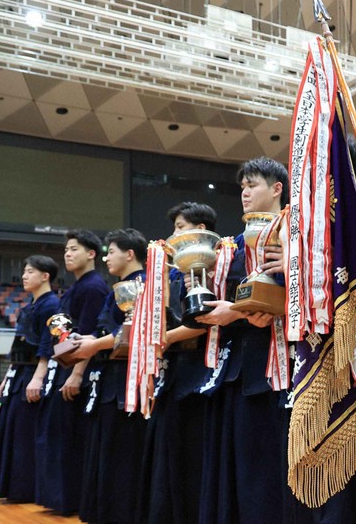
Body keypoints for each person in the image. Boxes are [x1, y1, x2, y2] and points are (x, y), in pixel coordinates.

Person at [194, 156, 288, 523]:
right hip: (234, 365)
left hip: (276, 365)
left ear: (277, 188)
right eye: (243, 187)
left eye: (254, 185)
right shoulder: (231, 244)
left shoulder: (294, 234)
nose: (245, 192)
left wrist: (234, 311)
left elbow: (292, 292)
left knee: (265, 464)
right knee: (236, 460)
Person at [137, 201, 217, 524]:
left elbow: (202, 320)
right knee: (168, 448)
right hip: (171, 373)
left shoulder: (214, 264)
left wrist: (165, 338)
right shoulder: (171, 273)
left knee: (190, 451)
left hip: (198, 371)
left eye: (180, 228)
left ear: (200, 230)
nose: (173, 235)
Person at [71, 228, 147, 524]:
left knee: (124, 450)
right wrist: (82, 341)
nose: (107, 258)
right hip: (108, 379)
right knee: (107, 447)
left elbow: (129, 333)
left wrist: (94, 344)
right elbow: (105, 330)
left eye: (111, 251)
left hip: (129, 380)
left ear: (130, 254)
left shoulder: (142, 285)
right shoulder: (117, 287)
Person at [35, 229, 110, 515]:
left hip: (80, 372)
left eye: (74, 249)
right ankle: (61, 498)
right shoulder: (73, 288)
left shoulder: (94, 287)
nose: (68, 253)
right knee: (60, 436)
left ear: (91, 254)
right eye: (66, 249)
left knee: (73, 438)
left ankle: (73, 500)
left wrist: (77, 374)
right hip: (64, 368)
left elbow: (90, 334)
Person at [0, 255, 60, 503]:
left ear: (45, 276)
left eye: (29, 272)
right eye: (24, 271)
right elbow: (18, 345)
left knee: (26, 432)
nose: (24, 276)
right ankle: (10, 486)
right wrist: (8, 376)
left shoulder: (52, 305)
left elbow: (48, 347)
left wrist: (38, 379)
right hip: (20, 373)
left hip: (34, 375)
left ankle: (25, 488)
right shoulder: (30, 306)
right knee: (11, 429)